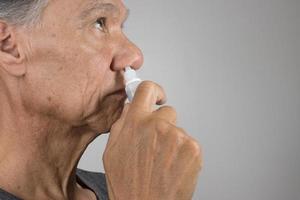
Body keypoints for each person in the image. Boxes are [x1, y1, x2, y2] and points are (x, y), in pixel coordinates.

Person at [0, 0, 202, 199]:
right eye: (99, 22)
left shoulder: (127, 188)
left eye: (120, 26)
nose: (135, 56)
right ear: (8, 46)